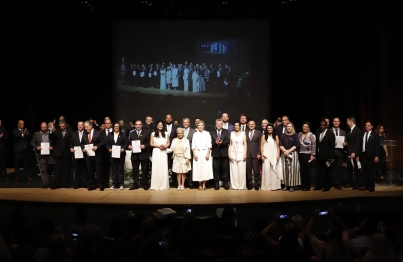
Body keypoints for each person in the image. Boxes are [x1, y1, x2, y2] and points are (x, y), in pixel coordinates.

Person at [81, 120, 104, 191]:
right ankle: (92, 185)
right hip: (88, 156)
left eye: (87, 127)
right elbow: (81, 143)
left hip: (97, 155)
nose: (86, 128)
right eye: (85, 127)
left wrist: (97, 147)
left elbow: (103, 142)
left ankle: (101, 185)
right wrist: (83, 148)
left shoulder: (98, 132)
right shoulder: (84, 134)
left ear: (91, 126)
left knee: (99, 171)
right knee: (90, 172)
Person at [356, 122, 379, 192]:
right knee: (364, 171)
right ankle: (366, 185)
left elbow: (377, 146)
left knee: (370, 171)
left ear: (372, 126)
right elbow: (359, 146)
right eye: (366, 125)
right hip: (363, 155)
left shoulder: (375, 135)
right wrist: (358, 155)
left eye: (368, 125)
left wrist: (376, 156)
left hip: (371, 155)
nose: (367, 126)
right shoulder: (362, 134)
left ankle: (371, 186)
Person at [128, 120, 150, 190]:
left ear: (142, 125)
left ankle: (145, 184)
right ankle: (135, 184)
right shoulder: (131, 133)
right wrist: (129, 146)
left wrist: (145, 146)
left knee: (145, 169)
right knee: (135, 170)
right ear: (134, 125)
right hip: (135, 155)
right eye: (137, 124)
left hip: (144, 154)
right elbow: (128, 143)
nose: (138, 126)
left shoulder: (146, 133)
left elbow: (150, 143)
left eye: (139, 124)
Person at [314, 120, 335, 192]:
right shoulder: (317, 131)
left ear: (326, 126)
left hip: (327, 156)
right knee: (318, 172)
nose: (322, 126)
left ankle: (327, 186)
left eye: (323, 125)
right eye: (321, 125)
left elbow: (332, 146)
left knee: (327, 172)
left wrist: (330, 157)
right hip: (318, 155)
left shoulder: (330, 133)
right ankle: (319, 186)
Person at [106, 122, 129, 190]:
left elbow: (126, 143)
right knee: (114, 170)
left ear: (119, 127)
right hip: (112, 154)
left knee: (120, 169)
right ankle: (114, 184)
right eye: (115, 126)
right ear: (113, 127)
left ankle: (121, 184)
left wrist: (123, 149)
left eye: (118, 126)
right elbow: (107, 144)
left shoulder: (123, 134)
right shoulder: (109, 135)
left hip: (121, 154)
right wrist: (109, 149)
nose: (116, 128)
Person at [31, 122, 54, 188]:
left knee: (50, 169)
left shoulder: (50, 133)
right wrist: (36, 147)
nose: (43, 129)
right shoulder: (37, 134)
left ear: (47, 127)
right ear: (40, 127)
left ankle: (51, 181)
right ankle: (45, 183)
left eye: (45, 127)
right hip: (41, 154)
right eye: (42, 127)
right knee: (43, 169)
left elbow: (56, 142)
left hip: (50, 154)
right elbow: (32, 142)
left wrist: (52, 147)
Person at [51, 120, 72, 189]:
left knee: (67, 169)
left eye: (63, 126)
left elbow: (71, 142)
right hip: (58, 153)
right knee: (57, 170)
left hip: (67, 153)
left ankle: (66, 183)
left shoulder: (70, 132)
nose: (62, 128)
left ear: (65, 125)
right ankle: (56, 184)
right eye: (61, 126)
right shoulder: (56, 132)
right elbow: (52, 141)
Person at [279, 122, 301, 192]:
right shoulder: (283, 135)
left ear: (292, 127)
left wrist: (288, 151)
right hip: (284, 154)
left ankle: (292, 186)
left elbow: (297, 145)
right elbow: (280, 144)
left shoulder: (295, 135)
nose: (289, 127)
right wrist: (285, 151)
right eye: (288, 126)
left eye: (290, 126)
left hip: (293, 154)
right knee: (285, 170)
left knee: (293, 170)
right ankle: (286, 185)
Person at [192, 120, 213, 190]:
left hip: (205, 153)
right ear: (197, 126)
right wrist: (194, 154)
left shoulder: (207, 133)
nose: (200, 127)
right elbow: (193, 145)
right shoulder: (195, 134)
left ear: (204, 126)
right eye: (199, 125)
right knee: (198, 169)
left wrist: (208, 154)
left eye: (201, 125)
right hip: (197, 153)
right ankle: (199, 184)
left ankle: (204, 183)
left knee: (205, 168)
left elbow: (209, 145)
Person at [210, 118, 230, 190]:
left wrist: (222, 143)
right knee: (216, 169)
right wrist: (215, 142)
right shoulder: (212, 132)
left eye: (220, 124)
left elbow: (228, 140)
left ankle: (226, 183)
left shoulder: (226, 131)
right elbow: (210, 142)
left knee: (225, 169)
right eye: (217, 124)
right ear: (216, 124)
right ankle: (216, 183)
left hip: (224, 153)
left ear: (222, 124)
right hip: (215, 153)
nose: (219, 125)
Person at [150, 120, 170, 190]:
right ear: (156, 126)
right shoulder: (153, 133)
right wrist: (159, 146)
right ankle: (156, 185)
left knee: (163, 167)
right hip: (156, 151)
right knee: (156, 167)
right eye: (159, 125)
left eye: (161, 125)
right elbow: (151, 144)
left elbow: (168, 143)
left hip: (163, 151)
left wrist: (165, 146)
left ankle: (164, 185)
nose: (160, 126)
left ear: (163, 126)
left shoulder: (166, 133)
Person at [260, 123, 280, 191]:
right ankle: (267, 186)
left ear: (273, 129)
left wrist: (278, 155)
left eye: (270, 128)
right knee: (266, 170)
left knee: (273, 170)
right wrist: (262, 155)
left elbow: (277, 147)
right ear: (266, 129)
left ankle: (273, 186)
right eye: (268, 128)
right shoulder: (263, 136)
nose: (269, 129)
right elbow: (262, 146)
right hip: (266, 155)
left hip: (274, 155)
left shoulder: (276, 136)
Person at [228, 121, 247, 190]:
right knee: (233, 170)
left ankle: (241, 186)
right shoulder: (232, 133)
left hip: (241, 153)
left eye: (237, 125)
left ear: (240, 126)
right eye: (235, 125)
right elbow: (230, 144)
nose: (236, 126)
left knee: (241, 171)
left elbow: (245, 144)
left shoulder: (243, 133)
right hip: (233, 153)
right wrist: (229, 153)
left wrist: (245, 154)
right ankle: (234, 185)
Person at [344, 117, 361, 189]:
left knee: (356, 168)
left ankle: (356, 184)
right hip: (349, 152)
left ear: (351, 122)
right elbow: (351, 142)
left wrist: (354, 152)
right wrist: (346, 144)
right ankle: (350, 182)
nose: (346, 123)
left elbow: (357, 143)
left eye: (347, 122)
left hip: (354, 153)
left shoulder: (357, 130)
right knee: (349, 168)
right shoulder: (350, 130)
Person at [298, 122, 316, 191]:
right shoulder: (299, 134)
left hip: (308, 155)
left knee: (307, 171)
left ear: (309, 128)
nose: (304, 128)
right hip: (300, 154)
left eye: (306, 126)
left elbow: (314, 146)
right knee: (301, 170)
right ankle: (302, 185)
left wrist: (312, 155)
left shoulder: (312, 135)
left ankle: (307, 186)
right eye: (303, 126)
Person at [70, 121, 88, 189]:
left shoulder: (86, 133)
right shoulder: (73, 133)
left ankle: (85, 183)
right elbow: (71, 143)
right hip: (76, 154)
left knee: (85, 169)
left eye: (81, 125)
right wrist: (71, 148)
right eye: (79, 125)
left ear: (83, 126)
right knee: (77, 169)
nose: (80, 126)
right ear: (77, 126)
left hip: (85, 154)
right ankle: (77, 184)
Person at [246, 119, 262, 190]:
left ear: (255, 125)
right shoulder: (245, 133)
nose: (251, 125)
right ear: (248, 125)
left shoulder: (259, 133)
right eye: (250, 124)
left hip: (256, 154)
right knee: (248, 170)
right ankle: (249, 184)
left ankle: (256, 184)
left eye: (252, 124)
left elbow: (260, 144)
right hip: (247, 154)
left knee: (256, 170)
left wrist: (259, 153)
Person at [331, 117, 346, 190]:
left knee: (339, 169)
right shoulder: (329, 131)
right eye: (335, 121)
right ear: (332, 122)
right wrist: (331, 143)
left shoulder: (343, 132)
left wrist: (345, 143)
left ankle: (338, 184)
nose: (336, 122)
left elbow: (346, 142)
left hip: (340, 153)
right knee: (330, 169)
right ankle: (331, 183)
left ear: (339, 122)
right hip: (331, 153)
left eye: (337, 121)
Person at [182, 117, 196, 189]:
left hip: (190, 152)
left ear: (189, 123)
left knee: (190, 168)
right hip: (181, 153)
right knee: (182, 168)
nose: (185, 124)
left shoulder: (194, 131)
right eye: (184, 122)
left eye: (187, 122)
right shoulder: (180, 130)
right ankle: (183, 183)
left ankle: (190, 183)